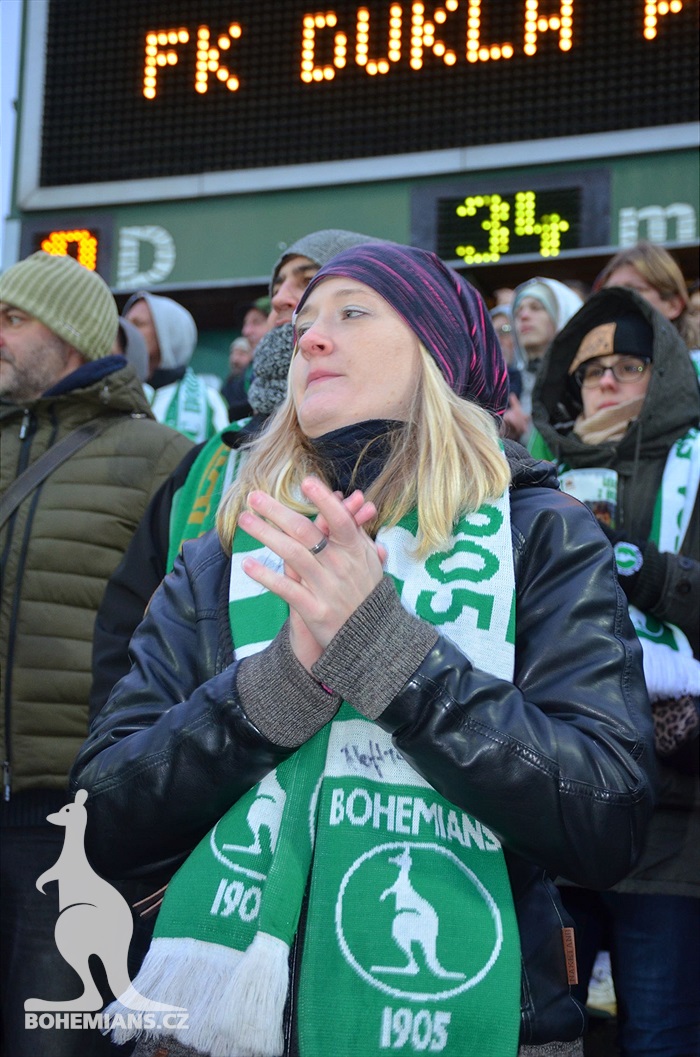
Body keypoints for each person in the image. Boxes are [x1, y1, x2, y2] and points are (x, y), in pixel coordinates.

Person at [72, 242, 656, 1057]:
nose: (307, 337)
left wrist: (392, 657)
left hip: (488, 1023)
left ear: (438, 352)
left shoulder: (540, 533)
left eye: (351, 313)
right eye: (304, 320)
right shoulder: (223, 555)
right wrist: (275, 685)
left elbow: (607, 814)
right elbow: (100, 822)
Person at [0, 252, 193, 1057]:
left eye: (12, 320)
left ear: (73, 334)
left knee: (50, 1038)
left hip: (68, 821)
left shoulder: (164, 460)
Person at [89, 229, 381, 721]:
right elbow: (128, 619)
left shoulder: (394, 457)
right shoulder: (209, 460)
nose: (283, 298)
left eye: (308, 281)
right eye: (280, 289)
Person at [530, 286, 700, 1057]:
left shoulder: (696, 463)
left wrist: (652, 572)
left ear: (658, 372)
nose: (605, 380)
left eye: (627, 365)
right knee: (547, 1033)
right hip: (559, 806)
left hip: (673, 816)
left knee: (658, 1037)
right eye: (591, 367)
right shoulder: (533, 474)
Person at [123, 291, 229, 442]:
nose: (126, 331)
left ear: (169, 333)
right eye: (125, 323)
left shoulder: (209, 401)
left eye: (138, 324)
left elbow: (220, 459)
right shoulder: (114, 392)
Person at [506, 277, 583, 442]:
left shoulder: (584, 379)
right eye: (518, 312)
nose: (524, 316)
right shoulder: (506, 385)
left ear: (561, 315)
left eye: (536, 307)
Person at [595, 240, 700, 357]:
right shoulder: (592, 366)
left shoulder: (695, 368)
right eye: (609, 293)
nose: (616, 300)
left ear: (673, 305)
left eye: (633, 290)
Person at [221, 335, 255, 420]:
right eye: (234, 353)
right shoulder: (228, 383)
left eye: (242, 354)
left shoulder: (253, 380)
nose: (235, 359)